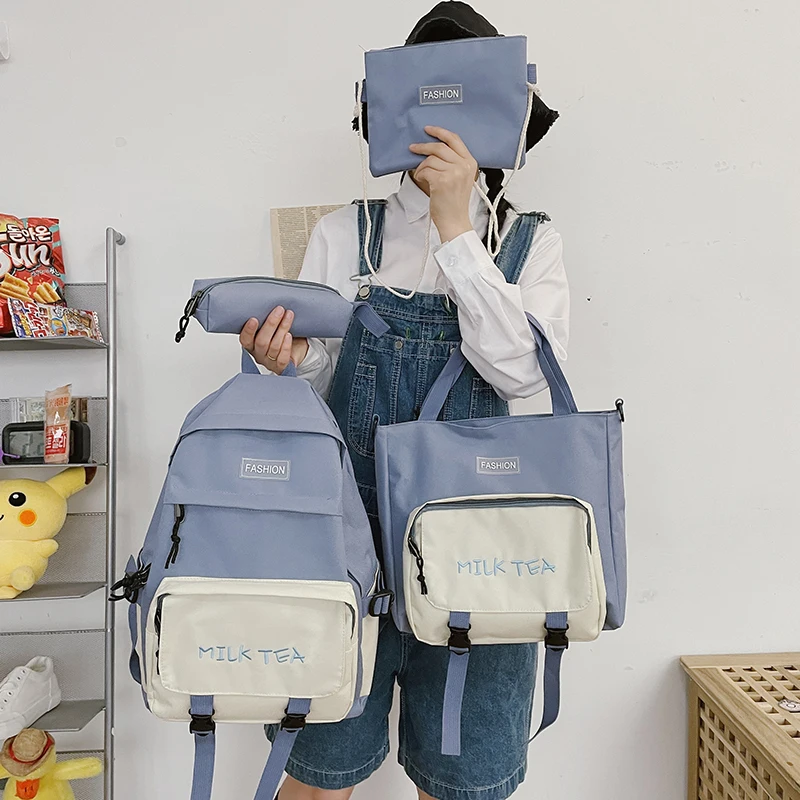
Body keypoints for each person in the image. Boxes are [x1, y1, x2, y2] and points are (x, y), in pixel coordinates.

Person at [240, 4, 569, 799]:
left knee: (462, 781)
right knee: (315, 775)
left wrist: (458, 231)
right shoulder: (339, 234)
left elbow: (524, 376)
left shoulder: (532, 244)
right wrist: (288, 361)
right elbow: (317, 388)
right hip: (343, 539)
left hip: (485, 549)